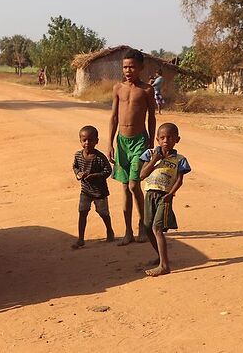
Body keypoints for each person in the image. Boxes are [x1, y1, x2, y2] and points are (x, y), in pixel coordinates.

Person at [108, 48, 156, 246]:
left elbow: (151, 117)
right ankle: (128, 232)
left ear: (141, 68)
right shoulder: (118, 88)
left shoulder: (146, 90)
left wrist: (152, 142)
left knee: (134, 184)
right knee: (125, 189)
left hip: (139, 142)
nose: (128, 70)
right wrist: (109, 143)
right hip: (121, 142)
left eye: (132, 67)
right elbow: (113, 117)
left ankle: (143, 227)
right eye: (125, 67)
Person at [138, 122, 191, 276]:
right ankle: (160, 256)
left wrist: (171, 194)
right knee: (147, 226)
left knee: (157, 228)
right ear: (157, 139)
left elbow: (179, 180)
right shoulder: (150, 154)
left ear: (177, 139)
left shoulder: (180, 159)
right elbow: (142, 175)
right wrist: (155, 159)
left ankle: (164, 266)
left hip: (165, 196)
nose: (166, 140)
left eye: (170, 137)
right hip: (149, 194)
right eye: (162, 137)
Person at [72, 125, 115, 249]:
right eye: (84, 140)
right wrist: (79, 174)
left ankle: (109, 231)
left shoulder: (99, 157)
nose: (87, 143)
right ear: (80, 141)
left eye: (90, 140)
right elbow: (75, 167)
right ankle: (80, 239)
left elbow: (108, 170)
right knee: (82, 212)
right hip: (85, 190)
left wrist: (95, 176)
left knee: (103, 213)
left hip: (99, 192)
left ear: (97, 141)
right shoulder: (78, 155)